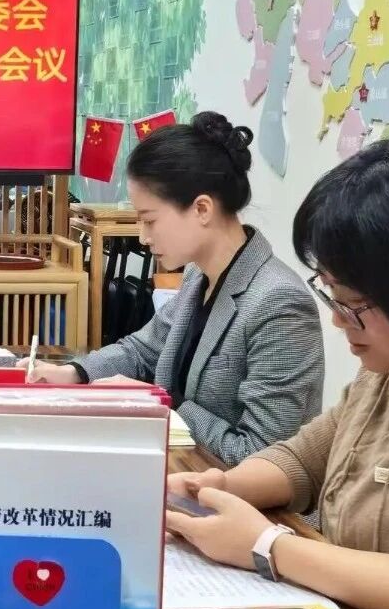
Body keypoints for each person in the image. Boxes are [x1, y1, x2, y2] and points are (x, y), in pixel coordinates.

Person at [166, 138, 389, 609]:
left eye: (353, 303)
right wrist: (219, 488)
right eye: (332, 294)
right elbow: (304, 458)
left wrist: (269, 546)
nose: (337, 319)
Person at [25, 112, 324, 465]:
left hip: (235, 492)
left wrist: (162, 405)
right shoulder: (199, 273)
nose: (142, 237)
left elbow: (263, 455)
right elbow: (143, 349)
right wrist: (75, 373)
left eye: (149, 220)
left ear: (202, 209)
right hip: (186, 472)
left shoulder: (279, 302)